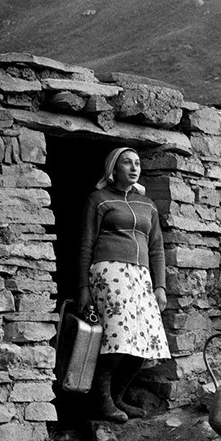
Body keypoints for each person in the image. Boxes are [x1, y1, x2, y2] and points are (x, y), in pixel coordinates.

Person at [78, 147, 170, 423]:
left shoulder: (147, 204)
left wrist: (160, 286)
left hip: (141, 278)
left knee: (146, 339)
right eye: (127, 163)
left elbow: (157, 247)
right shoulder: (99, 200)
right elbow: (86, 244)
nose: (134, 168)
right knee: (116, 339)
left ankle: (117, 397)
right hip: (109, 273)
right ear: (113, 169)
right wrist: (83, 287)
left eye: (137, 163)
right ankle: (101, 401)